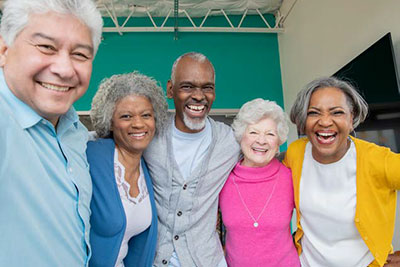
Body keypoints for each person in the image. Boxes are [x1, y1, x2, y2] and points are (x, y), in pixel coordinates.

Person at [0, 0, 102, 266]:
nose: (64, 69)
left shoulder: (75, 132)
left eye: (80, 54)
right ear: (3, 49)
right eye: (46, 47)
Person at [283, 76, 400, 267]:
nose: (325, 122)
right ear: (304, 120)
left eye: (337, 112)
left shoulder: (377, 160)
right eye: (314, 113)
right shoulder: (296, 153)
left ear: (351, 118)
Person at [143, 52, 240, 267]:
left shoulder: (231, 142)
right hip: (155, 260)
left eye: (207, 87)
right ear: (170, 89)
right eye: (187, 86)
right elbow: (105, 140)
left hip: (206, 261)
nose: (199, 96)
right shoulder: (149, 135)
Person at [87, 72, 168, 267]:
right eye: (126, 116)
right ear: (110, 122)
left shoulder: (147, 167)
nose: (138, 124)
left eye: (146, 115)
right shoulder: (90, 158)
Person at [219, 98, 300, 267]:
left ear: (278, 142)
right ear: (241, 137)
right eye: (254, 132)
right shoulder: (223, 178)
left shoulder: (291, 177)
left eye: (270, 134)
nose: (261, 141)